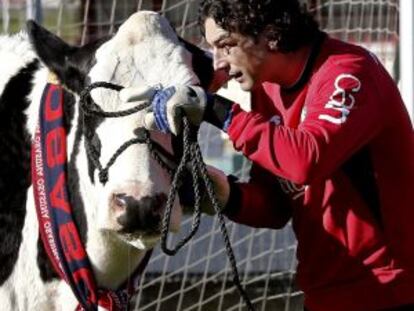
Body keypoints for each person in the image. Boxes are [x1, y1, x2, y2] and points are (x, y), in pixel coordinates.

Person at [121, 1, 414, 310]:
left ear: (271, 34)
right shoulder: (266, 90)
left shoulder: (349, 71)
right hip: (324, 295)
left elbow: (306, 160)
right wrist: (224, 193)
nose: (219, 62)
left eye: (226, 45)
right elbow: (276, 205)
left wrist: (220, 112)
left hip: (391, 292)